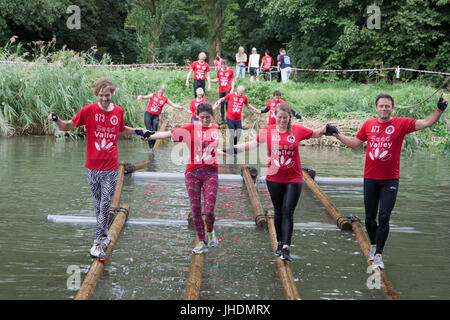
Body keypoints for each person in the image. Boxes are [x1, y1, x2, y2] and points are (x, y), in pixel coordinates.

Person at [331, 93, 448, 270]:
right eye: (381, 106)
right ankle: (373, 245)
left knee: (384, 217)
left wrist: (439, 109)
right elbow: (355, 144)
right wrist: (337, 134)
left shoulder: (401, 124)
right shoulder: (369, 125)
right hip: (370, 179)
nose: (384, 109)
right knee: (370, 219)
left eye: (387, 106)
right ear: (376, 108)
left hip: (390, 180)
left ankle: (379, 255)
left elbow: (426, 123)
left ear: (392, 108)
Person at [47, 78, 147, 261]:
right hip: (92, 168)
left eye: (107, 96)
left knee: (105, 205)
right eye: (101, 96)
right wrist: (56, 120)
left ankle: (96, 243)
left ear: (112, 94)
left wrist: (138, 131)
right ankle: (104, 235)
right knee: (98, 205)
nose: (104, 99)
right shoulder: (89, 111)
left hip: (110, 167)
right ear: (97, 95)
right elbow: (68, 126)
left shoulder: (118, 111)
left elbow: (121, 129)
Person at [234, 104, 326, 261]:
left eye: (285, 117)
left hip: (294, 178)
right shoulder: (267, 131)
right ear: (275, 117)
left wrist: (326, 129)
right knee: (278, 211)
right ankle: (279, 243)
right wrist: (234, 148)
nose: (282, 120)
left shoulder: (297, 130)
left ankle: (286, 247)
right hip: (274, 178)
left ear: (289, 117)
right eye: (280, 117)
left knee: (288, 211)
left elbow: (316, 133)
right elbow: (253, 144)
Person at [145, 103, 225, 254]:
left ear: (212, 116)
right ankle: (202, 241)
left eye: (208, 117)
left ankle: (211, 231)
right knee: (195, 209)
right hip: (192, 174)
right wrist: (149, 135)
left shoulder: (215, 129)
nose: (205, 120)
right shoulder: (191, 128)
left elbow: (212, 147)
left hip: (211, 173)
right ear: (197, 116)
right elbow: (169, 134)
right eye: (202, 118)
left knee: (209, 211)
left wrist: (224, 153)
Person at [138, 85, 188, 149]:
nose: (161, 94)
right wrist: (140, 97)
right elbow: (144, 97)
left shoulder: (165, 99)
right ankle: (151, 148)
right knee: (149, 131)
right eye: (160, 92)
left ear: (164, 92)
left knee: (154, 132)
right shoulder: (153, 95)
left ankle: (152, 148)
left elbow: (173, 104)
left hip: (156, 117)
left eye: (162, 92)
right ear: (158, 90)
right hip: (148, 115)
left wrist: (181, 107)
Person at [213, 85, 260, 150]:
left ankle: (234, 146)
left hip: (238, 119)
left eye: (242, 93)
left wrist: (254, 109)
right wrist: (218, 102)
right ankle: (231, 147)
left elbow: (247, 105)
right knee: (232, 133)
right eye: (240, 92)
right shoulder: (231, 95)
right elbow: (223, 99)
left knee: (239, 133)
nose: (241, 94)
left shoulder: (244, 97)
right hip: (230, 118)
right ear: (237, 90)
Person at [210, 59, 235, 123]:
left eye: (225, 65)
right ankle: (222, 119)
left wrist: (232, 88)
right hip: (221, 90)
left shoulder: (230, 71)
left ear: (227, 64)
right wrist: (210, 80)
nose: (224, 66)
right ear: (221, 65)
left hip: (228, 89)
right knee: (221, 104)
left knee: (227, 103)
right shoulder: (219, 71)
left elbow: (233, 80)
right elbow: (217, 79)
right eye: (223, 65)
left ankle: (228, 118)